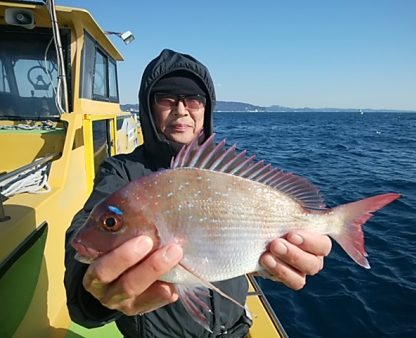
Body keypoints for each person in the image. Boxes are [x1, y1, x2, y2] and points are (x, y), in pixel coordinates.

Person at [64, 49, 332, 338]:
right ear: (148, 107)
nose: (181, 110)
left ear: (206, 108)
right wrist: (94, 294)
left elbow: (239, 247)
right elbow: (80, 240)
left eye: (193, 99)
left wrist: (274, 265)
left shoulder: (229, 176)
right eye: (166, 98)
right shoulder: (122, 172)